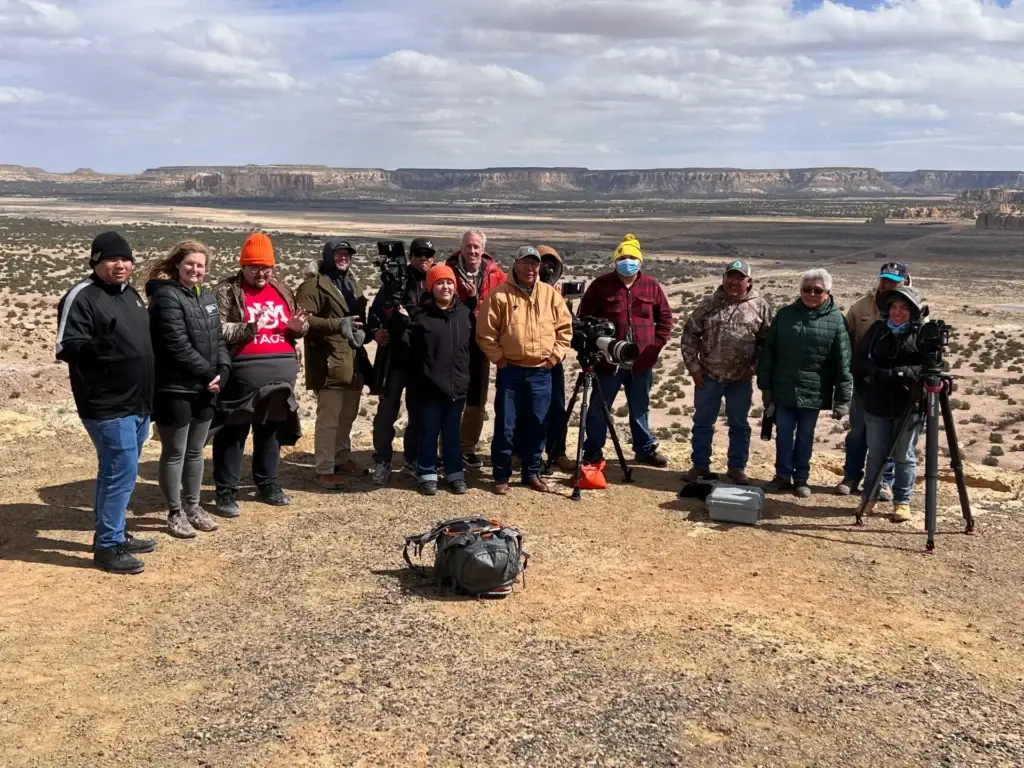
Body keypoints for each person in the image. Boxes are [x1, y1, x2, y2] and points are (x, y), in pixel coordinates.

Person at [55, 231, 157, 574]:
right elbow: (66, 347)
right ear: (96, 261)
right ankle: (108, 546)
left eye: (126, 259)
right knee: (121, 471)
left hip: (138, 402)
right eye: (113, 259)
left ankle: (115, 532)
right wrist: (96, 347)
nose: (121, 265)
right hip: (106, 404)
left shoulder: (132, 295)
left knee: (117, 471)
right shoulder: (82, 296)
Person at [212, 232, 308, 517]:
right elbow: (216, 329)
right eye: (254, 267)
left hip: (281, 374)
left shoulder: (281, 288)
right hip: (242, 373)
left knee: (271, 429)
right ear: (243, 266)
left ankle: (267, 483)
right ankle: (226, 490)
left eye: (266, 267)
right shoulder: (228, 291)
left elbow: (298, 326)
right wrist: (251, 328)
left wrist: (298, 328)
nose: (261, 273)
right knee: (233, 431)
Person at [146, 240, 230, 538]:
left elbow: (218, 339)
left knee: (195, 451)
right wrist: (210, 373)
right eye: (190, 264)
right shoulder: (166, 297)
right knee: (175, 452)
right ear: (178, 265)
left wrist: (223, 370)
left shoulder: (206, 296)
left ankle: (193, 507)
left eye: (200, 265)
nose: (195, 270)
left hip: (205, 388)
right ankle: (174, 512)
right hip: (175, 388)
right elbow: (176, 344)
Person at [477, 246, 573, 494]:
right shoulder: (500, 296)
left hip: (542, 372)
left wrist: (553, 358)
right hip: (511, 371)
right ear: (516, 264)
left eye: (534, 264)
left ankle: (531, 472)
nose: (530, 269)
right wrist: (500, 360)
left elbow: (565, 330)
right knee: (506, 425)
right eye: (525, 263)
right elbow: (485, 334)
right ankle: (501, 475)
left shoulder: (550, 295)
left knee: (537, 424)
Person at [577, 234, 673, 468]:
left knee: (640, 407)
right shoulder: (601, 285)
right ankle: (593, 451)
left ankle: (644, 449)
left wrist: (655, 346)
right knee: (599, 407)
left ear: (640, 261)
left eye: (632, 258)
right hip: (608, 362)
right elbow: (584, 320)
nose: (627, 262)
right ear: (615, 260)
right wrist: (595, 348)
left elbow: (665, 319)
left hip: (641, 362)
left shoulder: (651, 285)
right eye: (622, 258)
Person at [757, 268, 852, 497]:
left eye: (817, 290)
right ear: (800, 291)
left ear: (827, 293)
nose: (811, 294)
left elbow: (844, 361)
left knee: (805, 435)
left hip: (814, 390)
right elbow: (769, 353)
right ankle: (782, 475)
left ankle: (801, 478)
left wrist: (842, 399)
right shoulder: (785, 314)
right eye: (806, 289)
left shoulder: (836, 320)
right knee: (783, 433)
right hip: (784, 387)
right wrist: (765, 387)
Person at [680, 259, 774, 485]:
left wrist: (753, 368)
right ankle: (700, 466)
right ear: (723, 278)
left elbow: (768, 344)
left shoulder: (760, 306)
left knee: (739, 425)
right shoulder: (708, 304)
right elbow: (689, 336)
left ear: (749, 281)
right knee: (703, 423)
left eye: (740, 278)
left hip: (740, 379)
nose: (734, 281)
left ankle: (737, 468)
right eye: (730, 276)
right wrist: (694, 369)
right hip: (708, 376)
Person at [836, 261, 912, 498]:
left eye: (894, 281)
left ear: (906, 282)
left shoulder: (915, 307)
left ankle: (884, 482)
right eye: (885, 279)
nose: (888, 284)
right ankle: (851, 476)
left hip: (897, 387)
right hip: (865, 383)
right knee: (858, 432)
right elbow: (846, 339)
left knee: (890, 436)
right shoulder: (861, 306)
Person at [296, 238, 367, 490]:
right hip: (328, 362)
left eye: (347, 253)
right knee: (329, 418)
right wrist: (338, 324)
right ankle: (324, 469)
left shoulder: (351, 284)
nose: (343, 257)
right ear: (327, 256)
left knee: (347, 415)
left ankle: (341, 457)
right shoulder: (313, 285)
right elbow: (304, 321)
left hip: (352, 361)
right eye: (338, 253)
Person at [854, 286, 927, 523]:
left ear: (913, 311)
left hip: (909, 407)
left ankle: (902, 502)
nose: (897, 312)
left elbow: (930, 367)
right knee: (876, 454)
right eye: (894, 307)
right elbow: (858, 361)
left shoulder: (922, 334)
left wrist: (901, 373)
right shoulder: (877, 330)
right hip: (877, 404)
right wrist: (876, 373)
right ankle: (869, 498)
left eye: (904, 307)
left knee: (904, 456)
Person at [398, 264, 473, 495]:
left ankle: (455, 474)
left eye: (449, 282)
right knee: (429, 431)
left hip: (456, 385)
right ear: (431, 287)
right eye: (440, 283)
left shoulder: (464, 313)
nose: (446, 287)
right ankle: (427, 474)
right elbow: (408, 349)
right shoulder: (420, 316)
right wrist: (400, 322)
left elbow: (469, 349)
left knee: (452, 433)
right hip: (429, 386)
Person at [366, 237, 435, 485]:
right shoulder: (395, 282)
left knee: (418, 413)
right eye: (418, 254)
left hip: (421, 360)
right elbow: (374, 314)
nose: (423, 258)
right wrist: (376, 332)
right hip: (394, 359)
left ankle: (411, 459)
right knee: (387, 412)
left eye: (427, 254)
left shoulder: (435, 282)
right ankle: (382, 461)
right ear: (411, 256)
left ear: (433, 258)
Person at [446, 229, 507, 470]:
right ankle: (445, 446)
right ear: (461, 248)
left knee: (476, 396)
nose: (472, 251)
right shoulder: (448, 271)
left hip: (482, 343)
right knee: (449, 393)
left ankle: (467, 447)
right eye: (468, 246)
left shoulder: (496, 274)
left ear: (483, 250)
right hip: (453, 341)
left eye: (476, 247)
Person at [536, 245, 576, 474]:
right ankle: (525, 453)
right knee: (528, 409)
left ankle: (557, 452)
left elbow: (567, 326)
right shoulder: (520, 292)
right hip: (527, 359)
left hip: (553, 360)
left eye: (551, 264)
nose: (546, 268)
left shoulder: (560, 295)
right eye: (542, 263)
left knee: (557, 407)